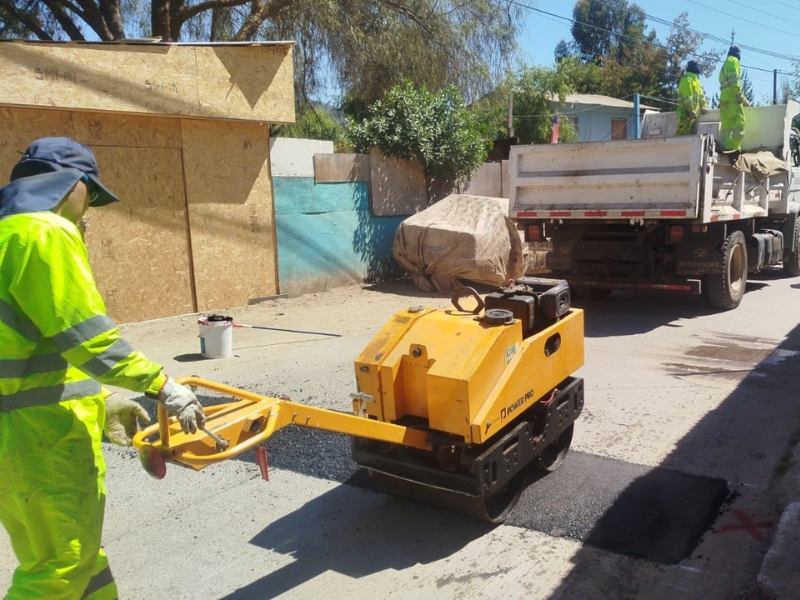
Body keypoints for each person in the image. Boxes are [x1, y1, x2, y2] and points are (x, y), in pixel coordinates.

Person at [0, 137, 206, 599]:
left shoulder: (7, 233)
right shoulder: (44, 233)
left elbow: (30, 350)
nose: (90, 206)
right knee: (59, 567)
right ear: (72, 184)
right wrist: (162, 386)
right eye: (90, 193)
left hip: (15, 440)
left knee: (76, 560)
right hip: (41, 442)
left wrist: (101, 402)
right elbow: (88, 341)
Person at [719, 44, 749, 156]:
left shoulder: (725, 63)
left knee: (727, 125)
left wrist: (744, 98)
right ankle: (735, 149)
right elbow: (735, 80)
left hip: (724, 98)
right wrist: (739, 94)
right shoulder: (734, 61)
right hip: (732, 97)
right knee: (739, 123)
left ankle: (728, 147)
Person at [677, 59, 708, 136]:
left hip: (693, 114)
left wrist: (704, 105)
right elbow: (687, 97)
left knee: (688, 135)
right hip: (685, 114)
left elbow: (701, 95)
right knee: (683, 134)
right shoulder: (686, 79)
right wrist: (690, 110)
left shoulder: (696, 80)